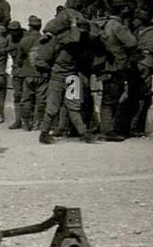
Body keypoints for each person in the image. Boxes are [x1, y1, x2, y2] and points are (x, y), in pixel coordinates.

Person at [37, 14, 98, 145]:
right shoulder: (63, 39)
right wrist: (74, 24)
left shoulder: (78, 42)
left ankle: (84, 133)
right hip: (58, 76)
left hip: (71, 76)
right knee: (52, 107)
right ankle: (44, 133)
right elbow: (75, 38)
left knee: (74, 106)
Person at [95, 7, 136, 141]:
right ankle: (108, 131)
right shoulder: (116, 25)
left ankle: (108, 129)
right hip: (115, 67)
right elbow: (132, 42)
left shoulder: (103, 24)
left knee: (108, 98)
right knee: (111, 100)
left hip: (104, 66)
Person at [8, 17, 43, 130]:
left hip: (25, 71)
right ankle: (22, 121)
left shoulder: (25, 39)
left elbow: (19, 58)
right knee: (21, 97)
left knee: (26, 98)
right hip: (25, 72)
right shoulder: (42, 39)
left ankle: (28, 122)